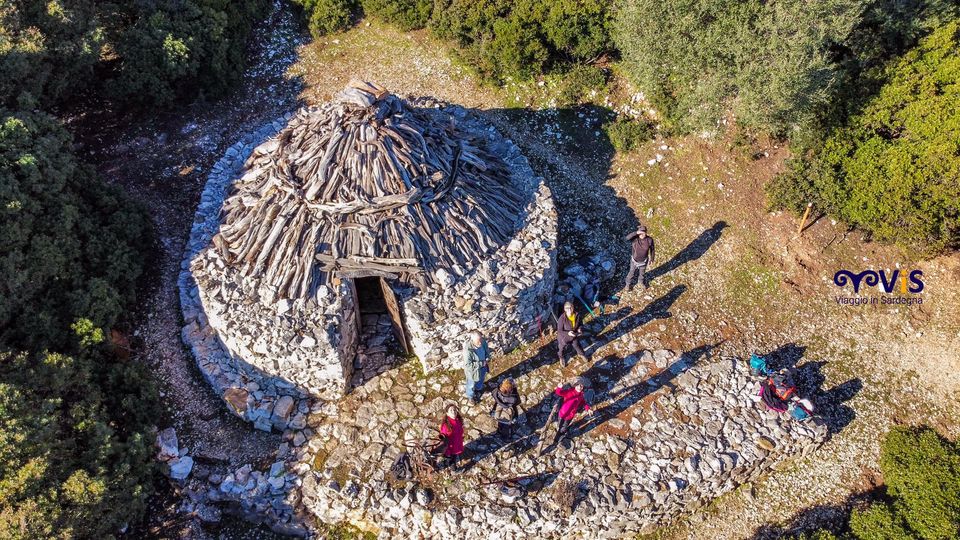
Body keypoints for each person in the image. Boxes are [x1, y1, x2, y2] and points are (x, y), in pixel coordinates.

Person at [553, 380, 590, 445]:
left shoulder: (581, 395)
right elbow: (559, 393)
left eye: (581, 386)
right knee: (560, 425)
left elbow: (583, 402)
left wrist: (588, 408)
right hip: (562, 414)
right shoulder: (569, 391)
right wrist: (559, 387)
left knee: (564, 427)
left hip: (570, 416)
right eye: (578, 385)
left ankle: (558, 436)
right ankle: (558, 435)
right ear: (575, 386)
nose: (579, 387)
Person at [624, 225, 655, 291]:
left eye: (644, 232)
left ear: (646, 232)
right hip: (634, 261)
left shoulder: (649, 240)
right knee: (631, 273)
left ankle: (640, 283)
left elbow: (652, 249)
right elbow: (627, 238)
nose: (643, 233)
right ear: (639, 232)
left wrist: (652, 259)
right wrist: (636, 233)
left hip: (644, 261)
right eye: (641, 232)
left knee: (642, 273)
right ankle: (627, 285)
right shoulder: (635, 238)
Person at [557, 301, 588, 367]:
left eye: (571, 308)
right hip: (564, 337)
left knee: (577, 345)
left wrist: (579, 328)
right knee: (561, 348)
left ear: (573, 307)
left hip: (574, 335)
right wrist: (568, 333)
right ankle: (561, 357)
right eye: (567, 308)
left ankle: (581, 354)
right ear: (564, 309)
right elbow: (559, 331)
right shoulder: (562, 319)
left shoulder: (577, 315)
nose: (569, 310)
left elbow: (580, 324)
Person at [462, 331, 489, 403]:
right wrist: (481, 363)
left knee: (481, 378)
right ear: (473, 340)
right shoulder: (467, 351)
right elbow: (468, 365)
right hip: (473, 371)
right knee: (471, 384)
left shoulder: (482, 341)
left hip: (483, 367)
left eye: (481, 340)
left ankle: (478, 388)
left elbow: (486, 349)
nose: (480, 343)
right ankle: (470, 396)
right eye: (478, 341)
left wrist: (487, 357)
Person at [438, 404, 464, 470]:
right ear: (447, 413)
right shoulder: (446, 425)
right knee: (451, 460)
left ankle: (448, 463)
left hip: (457, 445)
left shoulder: (458, 421)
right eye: (451, 410)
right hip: (450, 448)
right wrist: (447, 451)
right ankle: (454, 470)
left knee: (454, 458)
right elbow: (443, 440)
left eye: (454, 410)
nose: (453, 411)